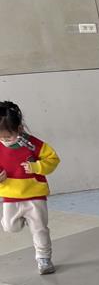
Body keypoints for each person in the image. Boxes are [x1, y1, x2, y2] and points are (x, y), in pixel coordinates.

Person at [0, 101, 60, 275]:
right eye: (1, 138)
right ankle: (26, 219)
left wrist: (37, 167)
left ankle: (44, 259)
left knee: (40, 229)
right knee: (10, 227)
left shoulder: (33, 144)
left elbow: (53, 159)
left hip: (35, 194)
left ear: (19, 129)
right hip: (10, 195)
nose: (4, 141)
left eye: (8, 137)